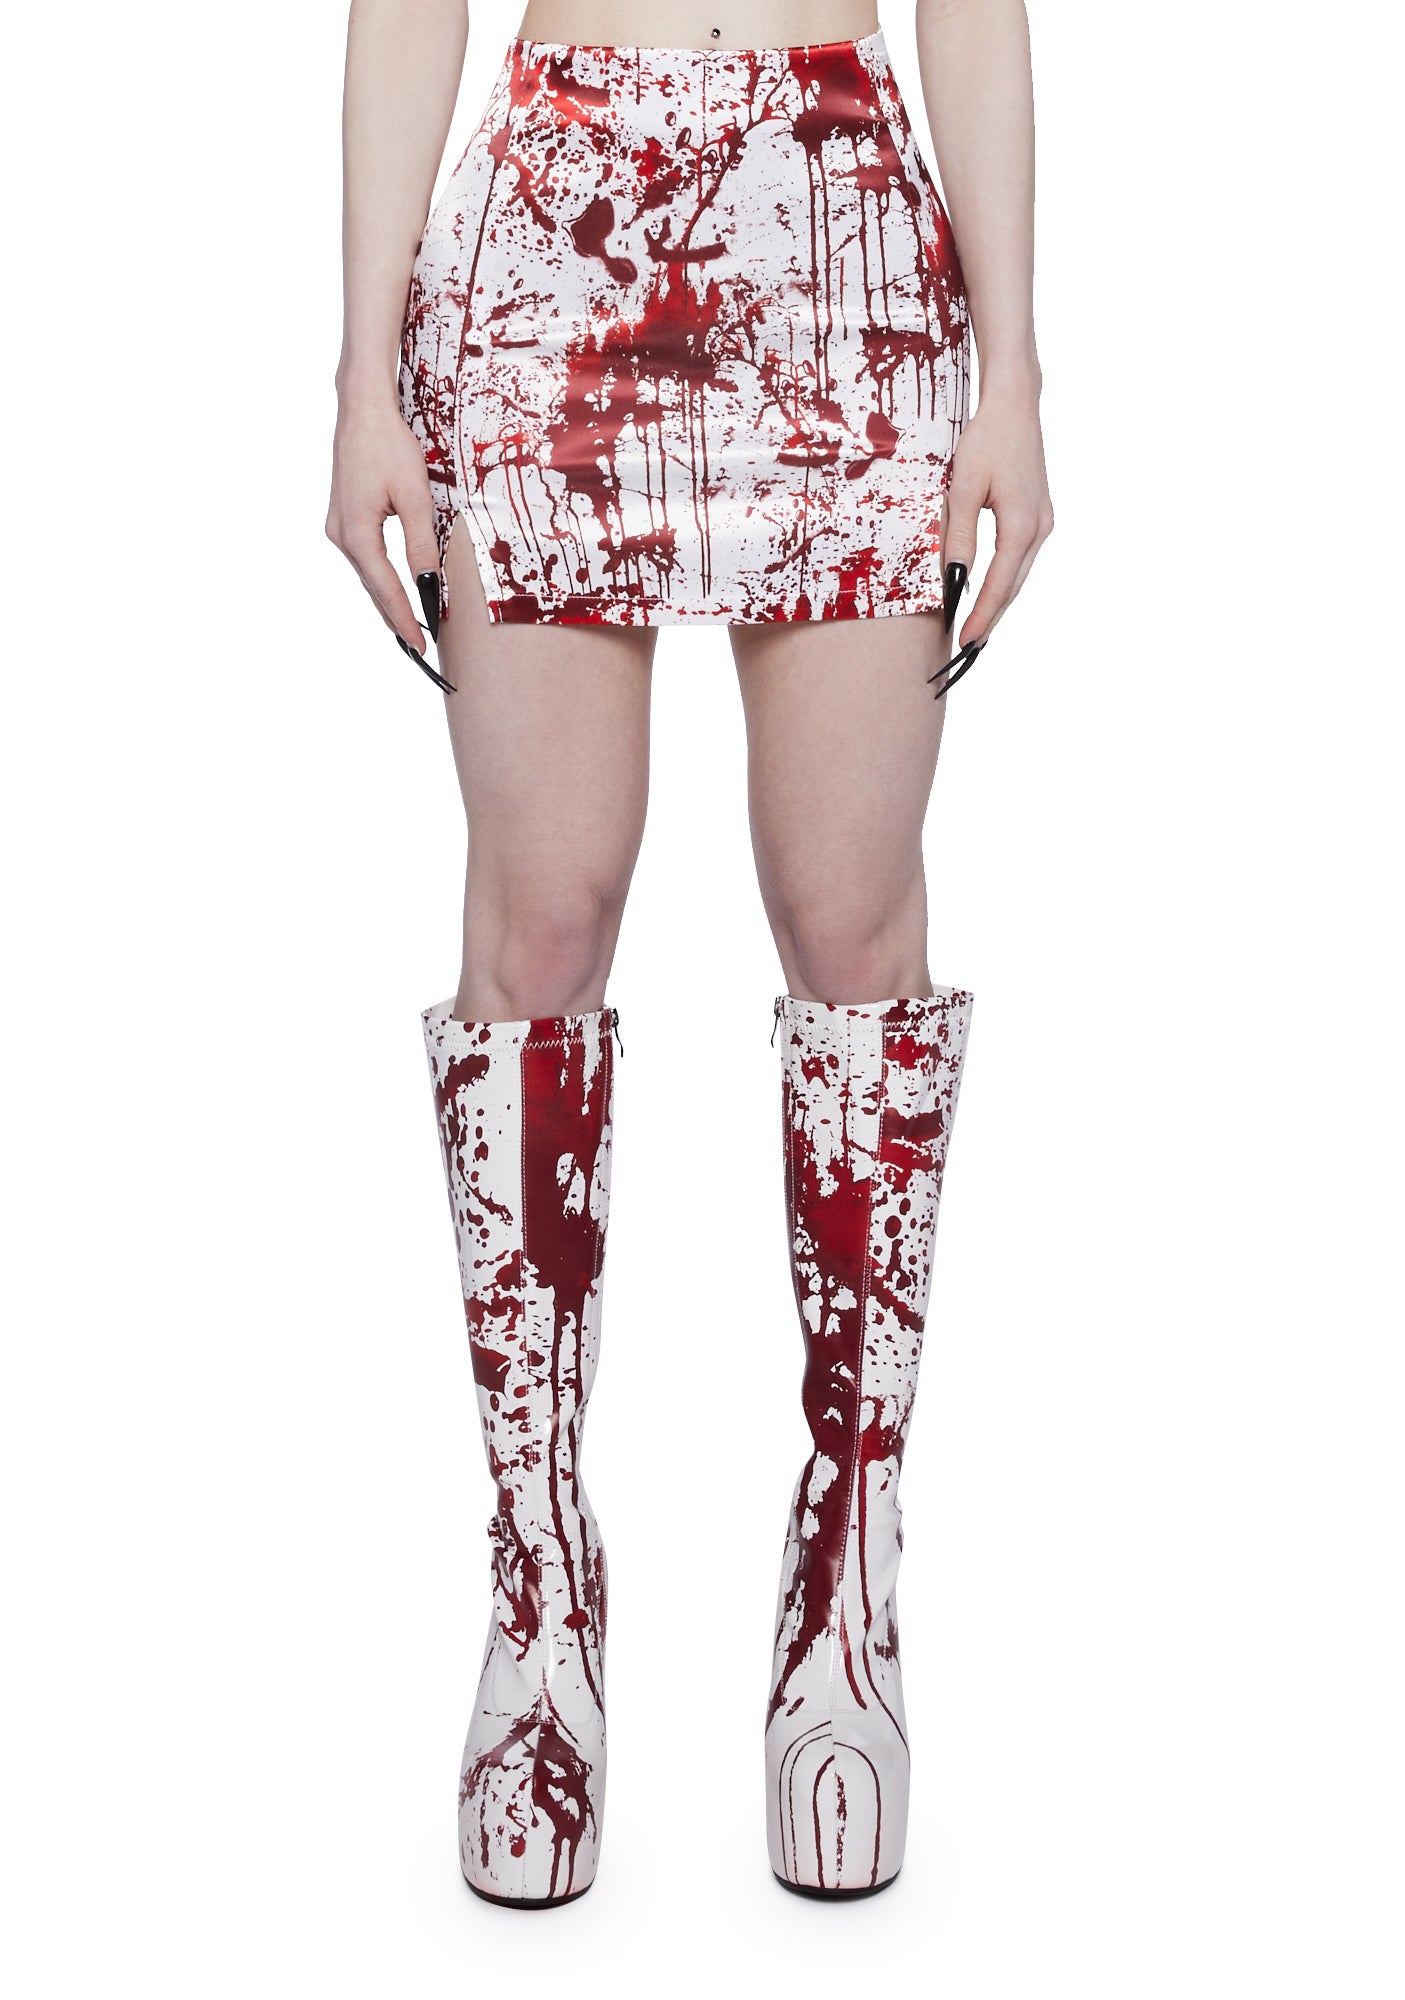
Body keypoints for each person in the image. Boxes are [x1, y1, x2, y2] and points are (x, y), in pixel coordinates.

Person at [327, 0, 1052, 1910]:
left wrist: (1015, 376)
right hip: (544, 238)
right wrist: (360, 379)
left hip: (840, 218)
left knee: (849, 914)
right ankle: (539, 1595)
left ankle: (845, 1584)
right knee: (542, 912)